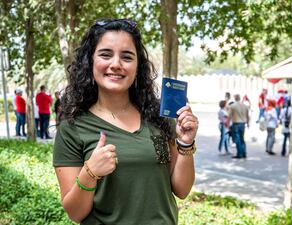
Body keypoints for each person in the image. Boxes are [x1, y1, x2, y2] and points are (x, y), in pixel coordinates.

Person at [53, 18, 199, 224]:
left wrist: (185, 142)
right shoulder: (73, 128)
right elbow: (75, 214)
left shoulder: (159, 118)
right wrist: (90, 172)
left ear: (138, 66)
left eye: (127, 57)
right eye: (105, 54)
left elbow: (182, 190)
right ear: (90, 61)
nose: (116, 64)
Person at [227, 94, 249, 159]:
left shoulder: (232, 106)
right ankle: (244, 153)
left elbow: (229, 116)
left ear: (235, 98)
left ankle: (239, 154)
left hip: (236, 124)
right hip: (243, 124)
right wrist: (248, 123)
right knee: (242, 139)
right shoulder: (245, 106)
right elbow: (247, 115)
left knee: (237, 139)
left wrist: (228, 125)